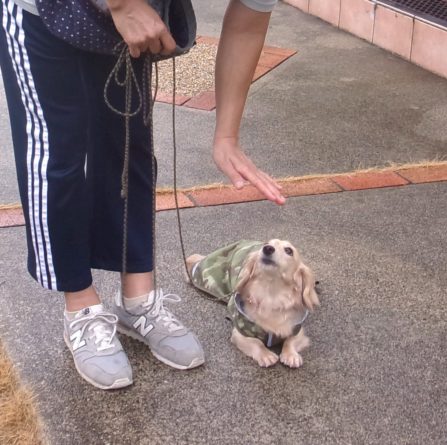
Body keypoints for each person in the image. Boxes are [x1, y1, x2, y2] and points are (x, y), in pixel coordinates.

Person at [0, 0, 285, 390]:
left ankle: (138, 301)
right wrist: (122, 4)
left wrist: (226, 137)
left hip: (126, 17)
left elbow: (248, 22)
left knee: (130, 141)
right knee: (56, 155)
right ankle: (81, 308)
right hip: (43, 11)